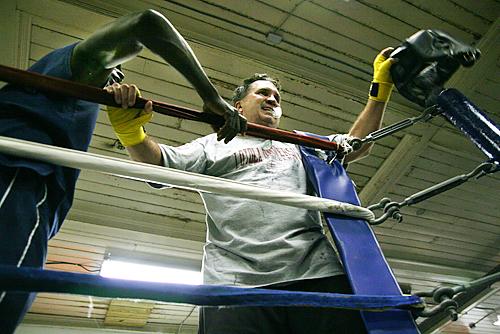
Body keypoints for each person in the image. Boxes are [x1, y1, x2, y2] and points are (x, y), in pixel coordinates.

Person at [105, 47, 395, 333]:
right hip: (236, 279)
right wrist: (131, 132)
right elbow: (160, 165)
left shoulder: (301, 144)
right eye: (262, 93)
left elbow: (359, 143)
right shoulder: (212, 144)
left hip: (315, 272)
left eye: (276, 97)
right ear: (238, 106)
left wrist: (380, 89)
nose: (272, 99)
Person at [0, 9, 245, 333]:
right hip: (17, 177)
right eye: (114, 65)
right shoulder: (73, 68)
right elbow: (147, 23)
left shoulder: (82, 92)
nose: (116, 77)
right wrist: (211, 97)